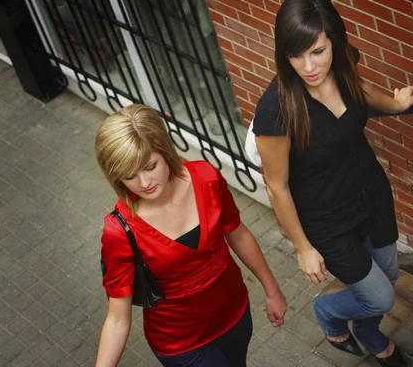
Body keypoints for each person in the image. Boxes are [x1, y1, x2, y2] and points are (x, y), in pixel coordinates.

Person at [252, 0, 413, 367]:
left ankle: (365, 330)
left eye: (318, 51)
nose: (308, 66)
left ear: (335, 42)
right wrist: (302, 247)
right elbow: (276, 186)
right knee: (380, 297)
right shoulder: (275, 112)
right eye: (296, 54)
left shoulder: (342, 63)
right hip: (327, 219)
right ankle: (330, 312)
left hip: (370, 191)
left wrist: (395, 104)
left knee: (389, 274)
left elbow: (357, 89)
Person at [94, 104, 287, 367]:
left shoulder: (207, 178)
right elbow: (117, 317)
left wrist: (272, 289)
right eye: (129, 176)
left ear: (164, 151)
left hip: (235, 315)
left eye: (150, 166)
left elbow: (238, 234)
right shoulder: (118, 231)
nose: (144, 183)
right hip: (182, 344)